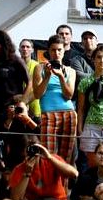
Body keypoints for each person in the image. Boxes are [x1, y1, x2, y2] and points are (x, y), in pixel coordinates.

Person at [0, 135, 78, 200]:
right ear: (23, 152)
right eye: (29, 149)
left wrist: (49, 157)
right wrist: (27, 173)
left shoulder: (52, 159)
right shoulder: (20, 169)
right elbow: (15, 199)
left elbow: (74, 174)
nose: (33, 152)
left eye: (36, 147)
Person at [32, 35, 77, 163]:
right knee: (47, 156)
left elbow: (69, 95)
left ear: (64, 51)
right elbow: (37, 94)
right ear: (48, 51)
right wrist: (47, 76)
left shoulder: (70, 71)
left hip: (68, 113)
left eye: (59, 50)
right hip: (48, 114)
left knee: (66, 158)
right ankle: (49, 183)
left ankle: (63, 184)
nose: (56, 53)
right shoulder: (40, 68)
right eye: (53, 50)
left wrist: (62, 77)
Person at [0, 30, 29, 135]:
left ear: (3, 45)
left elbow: (30, 82)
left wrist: (22, 101)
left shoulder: (16, 60)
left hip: (12, 106)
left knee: (15, 138)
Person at [18, 39, 40, 117]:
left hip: (34, 106)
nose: (25, 49)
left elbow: (39, 88)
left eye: (28, 47)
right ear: (19, 49)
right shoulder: (14, 65)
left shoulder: (37, 66)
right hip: (18, 106)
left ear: (32, 50)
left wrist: (25, 101)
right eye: (23, 47)